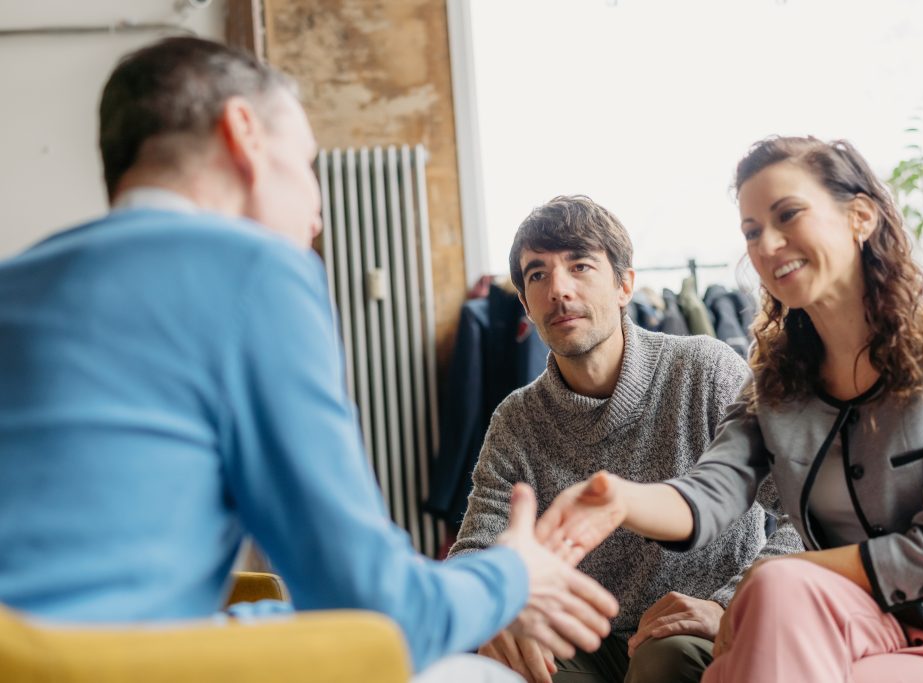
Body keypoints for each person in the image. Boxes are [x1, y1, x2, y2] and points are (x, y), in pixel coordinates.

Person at [0, 37, 619, 681]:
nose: (317, 216)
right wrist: (512, 574)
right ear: (243, 134)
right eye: (307, 164)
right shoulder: (251, 267)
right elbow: (376, 610)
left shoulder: (14, 284)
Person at [539, 137, 923, 682]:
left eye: (787, 215)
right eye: (751, 231)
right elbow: (707, 494)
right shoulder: (776, 385)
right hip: (847, 624)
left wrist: (780, 574)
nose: (767, 244)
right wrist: (617, 498)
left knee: (768, 606)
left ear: (860, 216)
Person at [449, 195, 803, 683]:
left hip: (691, 631)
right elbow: (475, 550)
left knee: (665, 658)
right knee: (489, 663)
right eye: (538, 275)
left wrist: (734, 604)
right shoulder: (516, 419)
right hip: (583, 641)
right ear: (526, 306)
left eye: (580, 267)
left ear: (624, 286)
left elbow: (802, 516)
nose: (559, 290)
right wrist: (495, 611)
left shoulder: (705, 370)